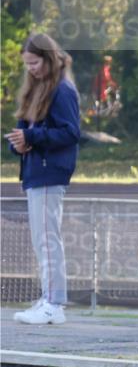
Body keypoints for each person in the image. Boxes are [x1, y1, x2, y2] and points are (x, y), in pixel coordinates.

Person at [6, 33, 81, 325]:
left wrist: (32, 137)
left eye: (35, 62)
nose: (31, 69)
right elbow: (25, 129)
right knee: (42, 239)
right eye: (27, 64)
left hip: (51, 172)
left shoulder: (63, 90)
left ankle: (54, 303)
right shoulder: (37, 88)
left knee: (48, 239)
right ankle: (48, 297)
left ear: (48, 58)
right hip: (36, 171)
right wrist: (19, 142)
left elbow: (71, 132)